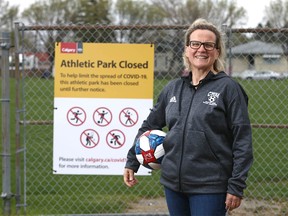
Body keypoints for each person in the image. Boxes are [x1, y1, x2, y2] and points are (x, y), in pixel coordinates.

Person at [123, 18, 253, 216]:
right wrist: (132, 159)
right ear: (186, 49)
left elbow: (242, 140)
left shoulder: (229, 89)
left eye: (209, 45)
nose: (202, 49)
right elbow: (149, 125)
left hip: (210, 185)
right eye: (195, 44)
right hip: (173, 183)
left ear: (217, 51)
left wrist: (236, 185)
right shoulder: (172, 88)